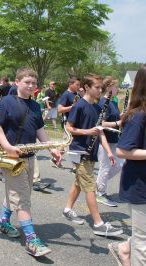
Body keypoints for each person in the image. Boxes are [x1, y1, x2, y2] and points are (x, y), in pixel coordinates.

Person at [0, 67, 61, 257]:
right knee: (22, 198)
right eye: (26, 82)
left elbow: (40, 131)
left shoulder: (35, 106)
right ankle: (31, 240)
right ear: (17, 82)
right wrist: (7, 147)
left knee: (19, 193)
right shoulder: (7, 101)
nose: (30, 86)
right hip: (11, 158)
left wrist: (52, 148)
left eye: (33, 83)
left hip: (30, 157)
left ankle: (3, 220)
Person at [62, 73, 123, 237]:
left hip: (91, 152)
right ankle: (98, 224)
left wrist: (109, 152)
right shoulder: (79, 105)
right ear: (87, 87)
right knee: (90, 187)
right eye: (97, 87)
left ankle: (67, 209)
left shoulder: (97, 107)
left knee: (79, 182)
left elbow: (100, 132)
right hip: (79, 151)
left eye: (100, 88)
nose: (99, 90)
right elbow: (68, 127)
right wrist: (86, 131)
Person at [108, 64, 146, 266]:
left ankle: (124, 248)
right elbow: (122, 150)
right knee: (144, 243)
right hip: (140, 186)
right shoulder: (139, 115)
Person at [96, 76, 124, 207]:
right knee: (105, 167)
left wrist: (123, 117)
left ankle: (98, 185)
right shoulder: (102, 102)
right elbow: (101, 123)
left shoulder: (112, 102)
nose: (117, 89)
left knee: (119, 164)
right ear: (108, 88)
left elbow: (116, 118)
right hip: (104, 139)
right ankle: (100, 193)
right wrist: (118, 122)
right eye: (116, 86)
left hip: (114, 138)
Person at [55, 77, 81, 168]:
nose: (79, 86)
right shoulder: (66, 94)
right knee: (69, 142)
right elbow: (59, 109)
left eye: (79, 85)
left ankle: (56, 158)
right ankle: (75, 165)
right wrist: (72, 107)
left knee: (66, 142)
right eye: (77, 84)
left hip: (75, 122)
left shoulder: (77, 94)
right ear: (70, 84)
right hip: (68, 122)